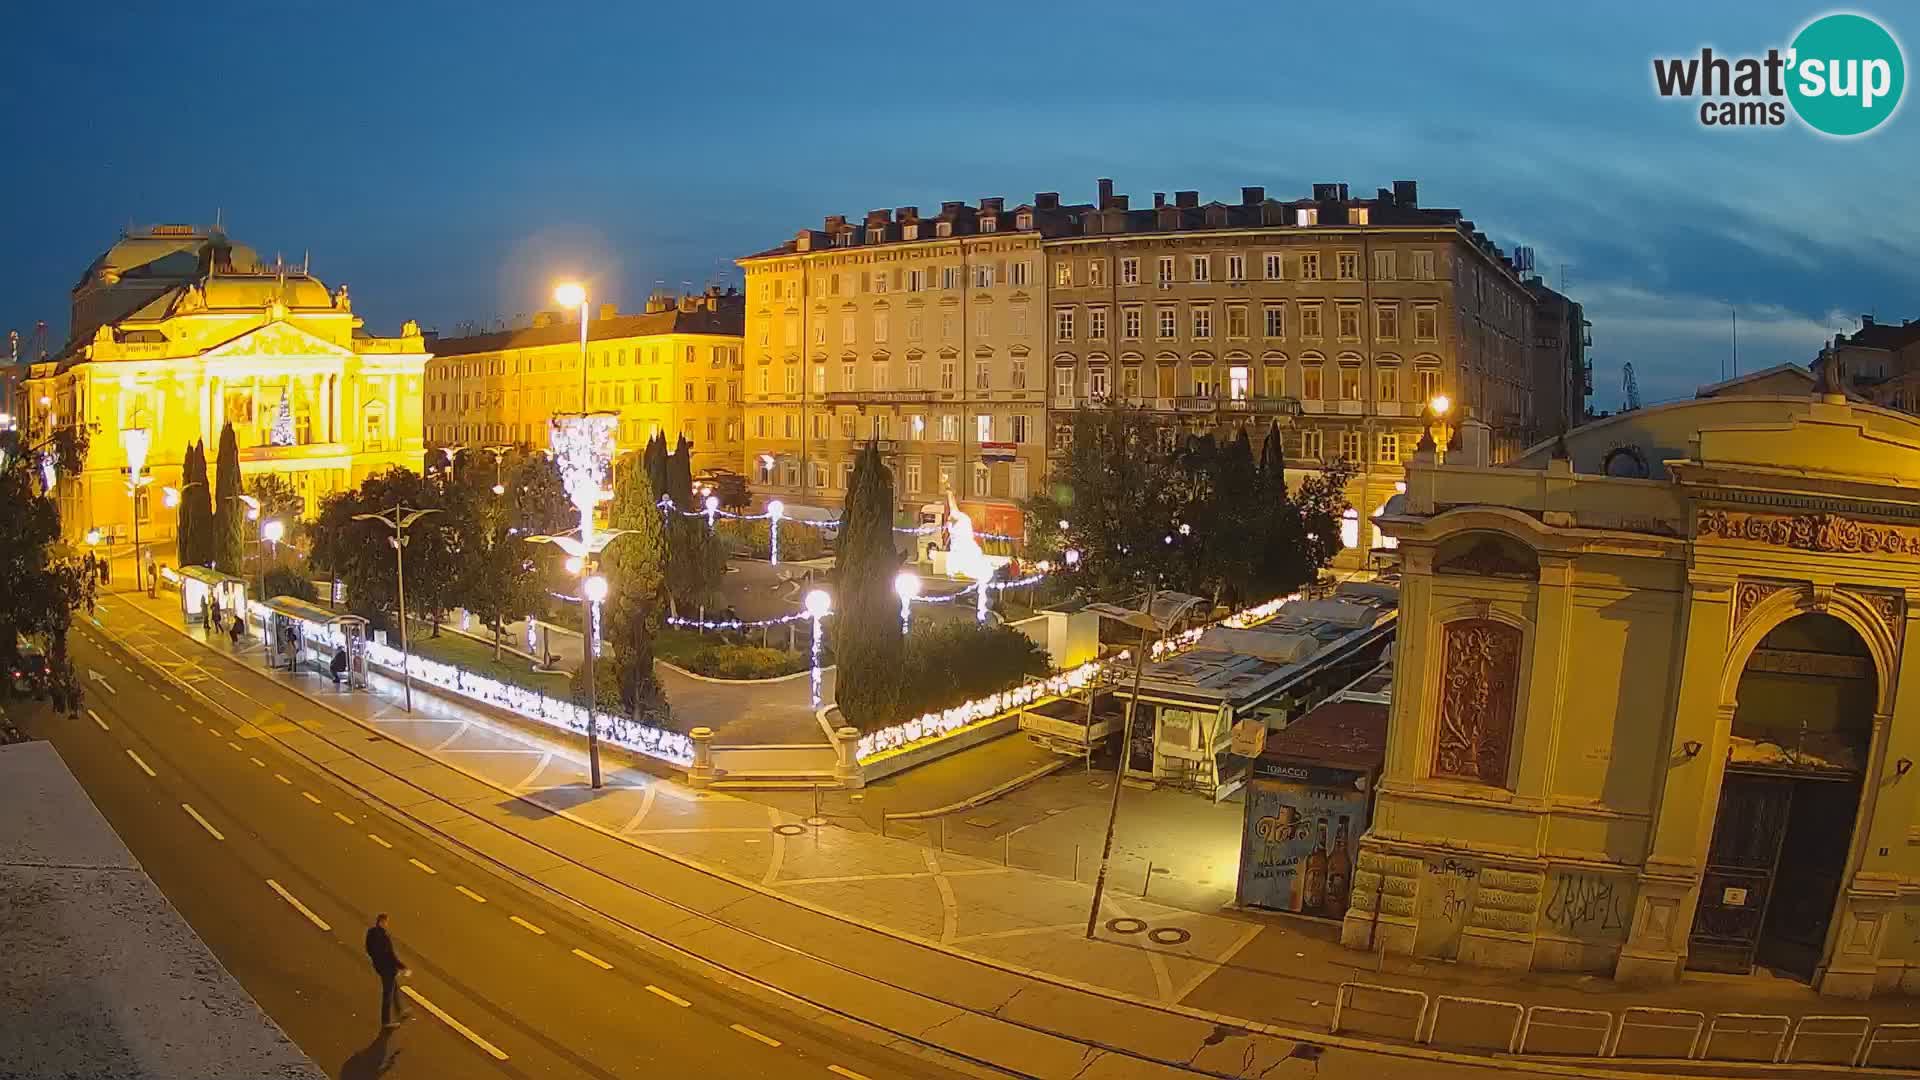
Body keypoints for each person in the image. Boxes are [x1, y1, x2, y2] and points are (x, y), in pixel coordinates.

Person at [363, 913, 410, 1027]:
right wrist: (402, 967)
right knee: (388, 994)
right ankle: (386, 1021)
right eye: (386, 922)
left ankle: (400, 1011)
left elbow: (368, 949)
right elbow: (390, 955)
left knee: (394, 988)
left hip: (379, 966)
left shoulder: (371, 933)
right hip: (387, 969)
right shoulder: (384, 937)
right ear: (381, 922)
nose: (387, 925)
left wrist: (376, 960)